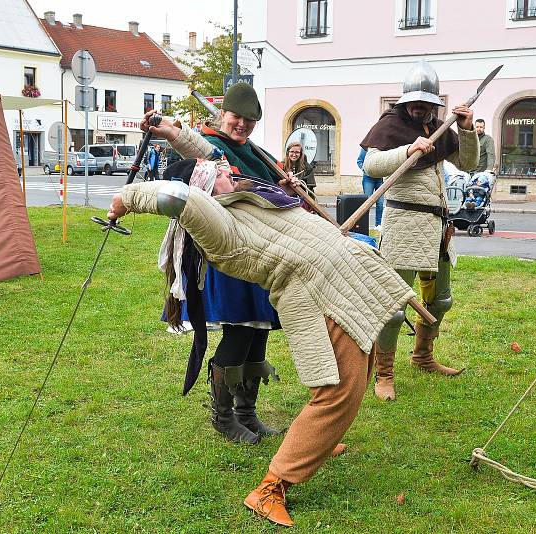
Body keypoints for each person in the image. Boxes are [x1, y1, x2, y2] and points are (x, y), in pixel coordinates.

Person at [107, 160, 416, 528]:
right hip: (320, 295)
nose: (230, 171)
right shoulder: (217, 222)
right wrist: (125, 198)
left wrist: (173, 131)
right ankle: (270, 488)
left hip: (342, 279)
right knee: (337, 391)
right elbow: (178, 195)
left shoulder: (237, 198)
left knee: (355, 375)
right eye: (220, 172)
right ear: (206, 185)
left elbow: (207, 158)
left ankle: (315, 442)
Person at [140, 82, 286, 445]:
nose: (242, 126)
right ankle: (223, 418)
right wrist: (167, 127)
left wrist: (282, 182)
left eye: (250, 122)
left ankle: (246, 413)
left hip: (260, 251)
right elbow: (192, 143)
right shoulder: (214, 147)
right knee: (239, 332)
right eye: (237, 118)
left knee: (258, 332)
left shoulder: (254, 152)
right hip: (229, 255)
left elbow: (264, 187)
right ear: (223, 114)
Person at [360, 60, 479, 401]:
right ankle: (384, 374)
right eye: (415, 103)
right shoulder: (390, 125)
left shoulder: (438, 128)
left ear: (434, 104)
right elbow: (371, 164)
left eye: (427, 104)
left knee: (440, 299)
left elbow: (469, 164)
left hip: (437, 226)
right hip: (404, 225)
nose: (420, 109)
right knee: (394, 306)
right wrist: (407, 150)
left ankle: (423, 356)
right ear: (405, 101)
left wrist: (467, 129)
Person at [357, 147, 384, 227]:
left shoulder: (382, 147)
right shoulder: (365, 148)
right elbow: (359, 161)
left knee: (380, 203)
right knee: (367, 203)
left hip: (380, 179)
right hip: (368, 179)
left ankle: (378, 225)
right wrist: (365, 170)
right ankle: (365, 225)